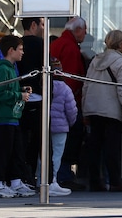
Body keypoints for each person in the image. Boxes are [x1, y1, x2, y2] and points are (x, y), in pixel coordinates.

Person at [82, 29, 122, 192]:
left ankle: (94, 181)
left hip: (93, 108)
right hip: (111, 110)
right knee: (112, 148)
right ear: (120, 44)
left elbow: (86, 85)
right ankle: (114, 181)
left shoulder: (95, 60)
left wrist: (85, 110)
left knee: (94, 147)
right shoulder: (121, 62)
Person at [0, 35, 35, 198]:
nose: (22, 53)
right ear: (10, 50)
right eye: (20, 50)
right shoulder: (3, 69)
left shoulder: (10, 68)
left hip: (12, 117)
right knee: (2, 152)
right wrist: (18, 95)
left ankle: (15, 181)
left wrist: (21, 90)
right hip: (3, 118)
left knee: (15, 152)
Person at [49, 17, 87, 189]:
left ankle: (57, 175)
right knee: (67, 143)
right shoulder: (70, 47)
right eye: (84, 29)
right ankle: (63, 176)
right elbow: (71, 80)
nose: (86, 33)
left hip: (53, 101)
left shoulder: (58, 43)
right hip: (65, 104)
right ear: (77, 30)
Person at [17, 17, 45, 186]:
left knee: (20, 141)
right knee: (37, 142)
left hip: (18, 98)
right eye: (42, 24)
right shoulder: (40, 45)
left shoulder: (15, 43)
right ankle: (33, 177)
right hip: (36, 97)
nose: (44, 28)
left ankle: (21, 177)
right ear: (33, 25)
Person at [48, 58, 77, 197]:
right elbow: (71, 110)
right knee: (57, 156)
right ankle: (53, 180)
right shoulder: (65, 88)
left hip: (45, 126)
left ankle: (41, 180)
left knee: (43, 156)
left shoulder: (44, 85)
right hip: (60, 127)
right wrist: (70, 123)